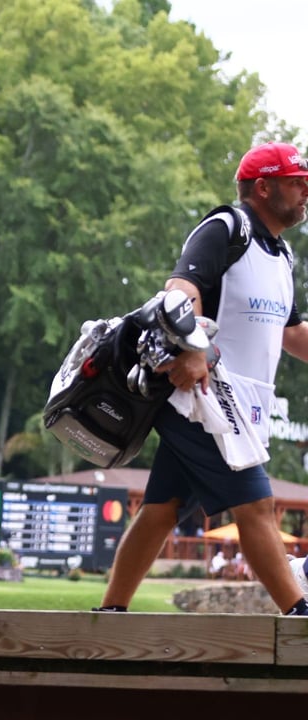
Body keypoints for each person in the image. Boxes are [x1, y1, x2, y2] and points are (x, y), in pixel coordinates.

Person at [96, 142, 308, 616]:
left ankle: (110, 615)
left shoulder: (281, 254)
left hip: (243, 408)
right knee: (256, 505)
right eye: (297, 183)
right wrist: (194, 350)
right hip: (205, 398)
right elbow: (179, 291)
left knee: (162, 509)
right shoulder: (225, 229)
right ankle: (299, 614)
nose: (305, 193)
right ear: (263, 186)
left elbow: (291, 332)